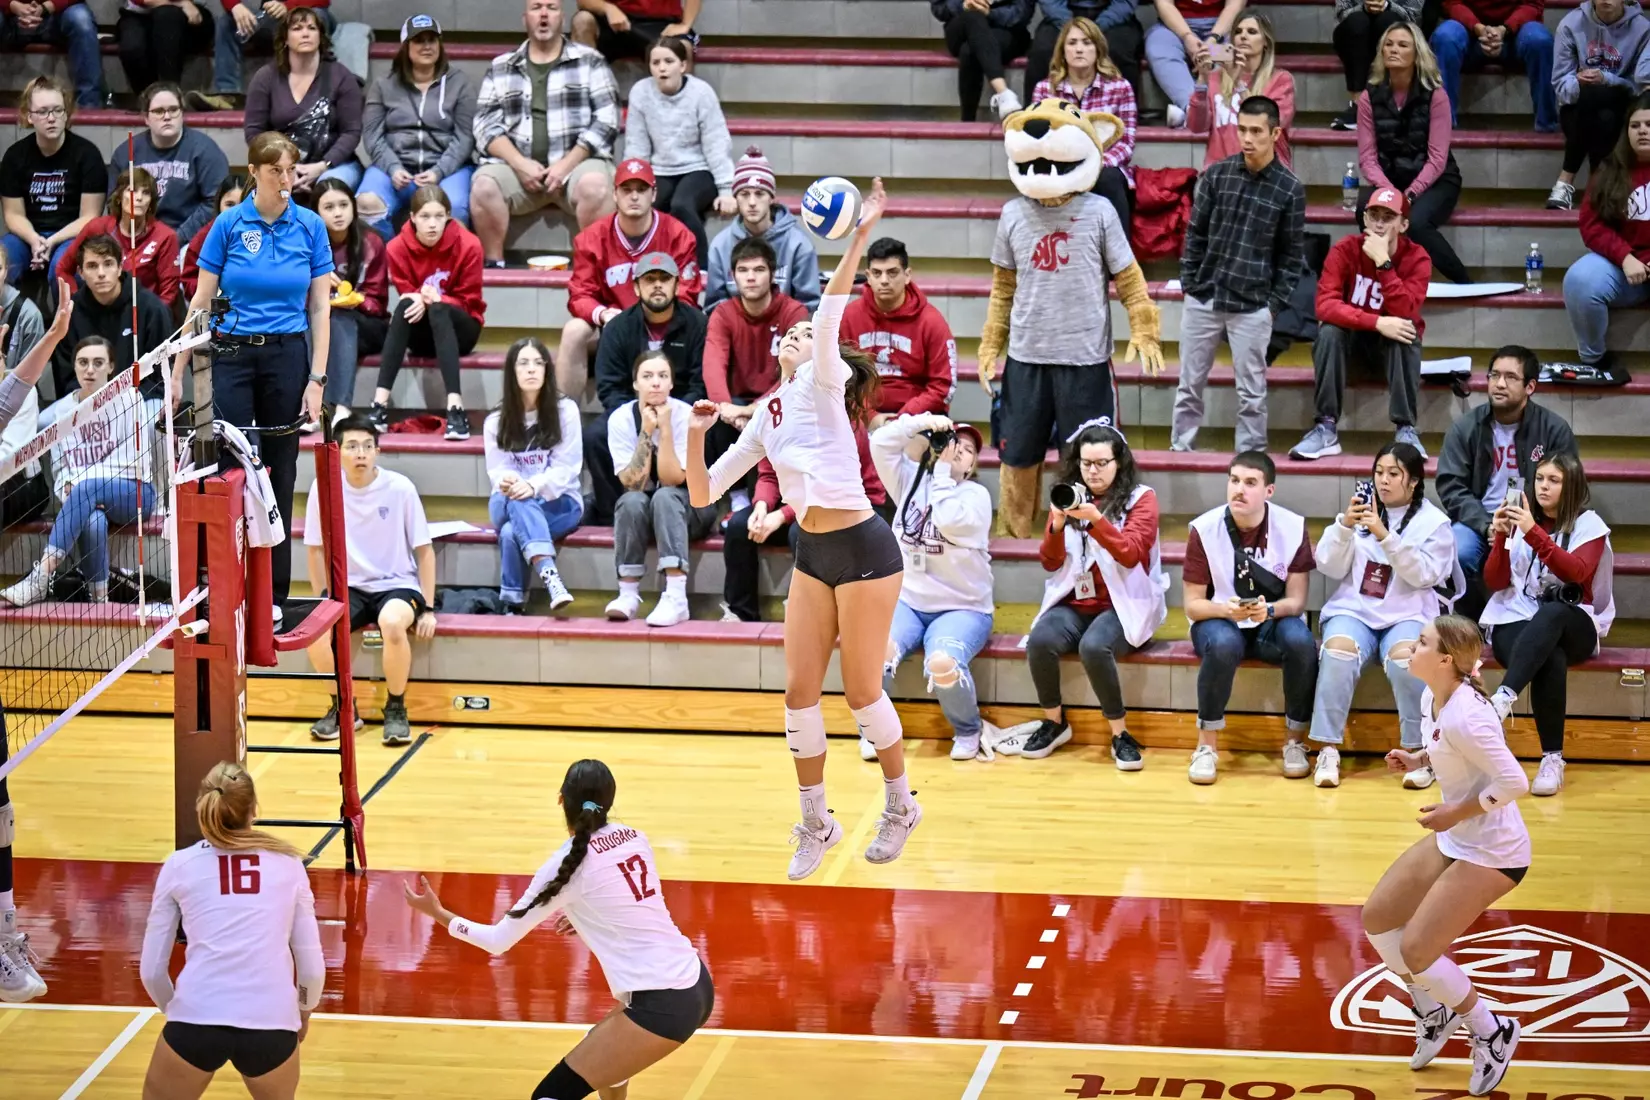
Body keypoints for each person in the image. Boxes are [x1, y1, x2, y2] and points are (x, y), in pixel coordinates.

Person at [687, 179, 925, 880]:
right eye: (787, 336)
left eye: (801, 333)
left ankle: (901, 804)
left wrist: (860, 235)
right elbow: (703, 490)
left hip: (865, 548)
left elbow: (827, 312)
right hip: (815, 552)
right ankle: (817, 821)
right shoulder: (766, 415)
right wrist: (697, 433)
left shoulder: (824, 381)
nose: (794, 335)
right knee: (797, 695)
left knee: (861, 692)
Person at [403, 759, 715, 1100]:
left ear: (561, 800)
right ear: (609, 800)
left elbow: (497, 941)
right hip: (696, 981)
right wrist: (589, 916)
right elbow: (633, 904)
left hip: (664, 1003)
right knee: (608, 1069)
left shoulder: (564, 867)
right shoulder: (635, 837)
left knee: (549, 1096)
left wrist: (438, 914)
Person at [979, 101, 1162, 539]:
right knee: (1018, 455)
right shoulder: (1012, 213)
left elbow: (1129, 279)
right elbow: (1002, 288)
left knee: (1090, 458)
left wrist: (1145, 328)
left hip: (1085, 359)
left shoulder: (1100, 211)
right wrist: (990, 344)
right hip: (1026, 357)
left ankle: (1089, 543)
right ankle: (1018, 539)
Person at [1364, 615, 1528, 1098]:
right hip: (1457, 837)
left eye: (1421, 642)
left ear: (1444, 660)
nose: (1411, 647)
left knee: (1417, 950)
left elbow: (1515, 782)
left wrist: (1455, 812)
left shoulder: (1468, 716)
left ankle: (1492, 1032)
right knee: (1378, 919)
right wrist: (1419, 759)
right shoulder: (1432, 698)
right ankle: (1433, 1010)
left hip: (1495, 851)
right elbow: (1448, 750)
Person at [186, 130, 333, 613]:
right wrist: (177, 368)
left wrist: (316, 380)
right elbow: (201, 300)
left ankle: (273, 596)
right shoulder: (228, 224)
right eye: (276, 171)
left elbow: (320, 309)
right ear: (253, 172)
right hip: (231, 355)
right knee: (229, 471)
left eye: (291, 170)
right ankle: (225, 590)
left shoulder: (310, 226)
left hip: (287, 358)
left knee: (281, 472)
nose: (286, 180)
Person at [138, 762, 324, 1100]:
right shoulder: (290, 864)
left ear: (202, 806)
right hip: (272, 1022)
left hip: (197, 1017)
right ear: (254, 810)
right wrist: (302, 1012)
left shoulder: (178, 865)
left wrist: (180, 1013)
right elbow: (312, 970)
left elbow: (151, 972)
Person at [1308, 443, 1459, 789]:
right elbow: (1328, 565)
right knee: (1338, 652)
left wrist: (1385, 535)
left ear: (1414, 481)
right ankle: (1327, 750)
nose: (1383, 480)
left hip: (1408, 612)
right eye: (1378, 472)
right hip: (1354, 610)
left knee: (1410, 660)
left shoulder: (1434, 523)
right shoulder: (1361, 511)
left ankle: (1420, 752)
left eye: (1393, 473)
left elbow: (1425, 575)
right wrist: (1345, 527)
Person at [1021, 419, 1166, 767]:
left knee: (1094, 646)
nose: (1093, 471)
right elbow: (1050, 562)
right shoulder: (1069, 495)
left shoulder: (1141, 499)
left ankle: (1120, 734)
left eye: (1102, 463)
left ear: (1119, 462)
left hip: (1124, 603)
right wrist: (1057, 525)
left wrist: (1096, 520)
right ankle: (1055, 722)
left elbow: (1131, 553)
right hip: (1076, 602)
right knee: (1039, 640)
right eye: (1086, 463)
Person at [1172, 95, 1305, 454]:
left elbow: (1291, 257)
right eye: (1242, 129)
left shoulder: (1290, 189)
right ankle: (1180, 449)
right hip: (1205, 295)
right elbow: (1195, 234)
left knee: (1251, 393)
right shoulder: (1216, 175)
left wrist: (1272, 306)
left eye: (1256, 131)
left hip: (1253, 305)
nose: (1247, 138)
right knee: (1189, 384)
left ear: (1275, 133)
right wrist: (1189, 284)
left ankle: (1251, 459)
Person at [1481, 452, 1614, 797]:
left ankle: (1501, 700)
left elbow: (1576, 572)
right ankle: (1552, 759)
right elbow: (1495, 581)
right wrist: (1501, 537)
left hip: (1574, 620)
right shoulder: (1520, 520)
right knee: (1548, 656)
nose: (1543, 486)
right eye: (1539, 478)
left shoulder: (1589, 525)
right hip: (1516, 615)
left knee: (1553, 614)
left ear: (1572, 486)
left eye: (1554, 480)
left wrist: (1532, 531)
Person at [1182, 451, 1318, 785]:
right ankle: (1206, 746)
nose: (1239, 489)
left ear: (1269, 491)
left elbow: (1296, 602)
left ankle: (1295, 742)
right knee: (1224, 643)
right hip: (1219, 619)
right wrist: (1225, 610)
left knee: (1301, 642)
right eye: (1234, 480)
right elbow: (1193, 605)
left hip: (1269, 621)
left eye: (1250, 482)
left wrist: (1269, 610)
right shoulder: (1204, 528)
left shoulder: (1292, 526)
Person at [869, 414, 998, 762]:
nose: (958, 450)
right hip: (908, 602)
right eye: (952, 442)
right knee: (875, 651)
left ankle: (968, 731)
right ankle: (875, 731)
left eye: (967, 449)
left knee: (942, 663)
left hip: (963, 608)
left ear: (972, 466)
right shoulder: (911, 480)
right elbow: (880, 443)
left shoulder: (976, 497)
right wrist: (921, 423)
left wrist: (941, 473)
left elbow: (948, 519)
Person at [304, 415, 436, 746]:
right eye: (351, 446)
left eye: (367, 446)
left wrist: (429, 608)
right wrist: (322, 599)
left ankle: (396, 708)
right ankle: (343, 708)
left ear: (377, 451)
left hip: (397, 584)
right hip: (348, 587)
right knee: (316, 635)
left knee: (392, 623)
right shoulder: (324, 487)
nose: (360, 453)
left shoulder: (400, 488)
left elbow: (425, 551)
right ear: (337, 452)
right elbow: (314, 550)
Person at [0, 335, 155, 609]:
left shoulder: (129, 399)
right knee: (93, 521)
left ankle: (41, 576)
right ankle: (99, 601)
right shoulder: (60, 413)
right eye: (83, 362)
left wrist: (83, 484)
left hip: (135, 494)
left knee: (84, 489)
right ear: (74, 367)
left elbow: (133, 463)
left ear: (111, 367)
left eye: (98, 363)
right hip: (84, 499)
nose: (90, 370)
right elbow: (61, 471)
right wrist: (71, 489)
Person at [471, 0, 621, 264]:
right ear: (524, 19)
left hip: (576, 167)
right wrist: (519, 164)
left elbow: (607, 121)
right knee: (483, 186)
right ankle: (494, 266)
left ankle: (594, 269)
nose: (543, 15)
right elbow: (484, 125)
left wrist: (565, 165)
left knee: (596, 187)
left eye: (551, 8)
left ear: (562, 18)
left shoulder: (591, 61)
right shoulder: (501, 66)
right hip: (518, 170)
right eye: (536, 7)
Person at [1290, 187, 1432, 462]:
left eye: (1388, 218)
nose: (1379, 224)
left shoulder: (1417, 258)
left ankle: (1405, 429)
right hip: (1348, 357)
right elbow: (1325, 305)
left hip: (1391, 361)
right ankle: (1326, 428)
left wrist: (1384, 263)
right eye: (1374, 216)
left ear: (1403, 225)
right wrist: (1377, 322)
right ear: (1364, 219)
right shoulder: (1345, 250)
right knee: (1329, 331)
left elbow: (1406, 310)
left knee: (1406, 330)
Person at [1435, 345, 1577, 611]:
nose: (1499, 384)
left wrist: (1529, 525)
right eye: (1494, 375)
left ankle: (1537, 621)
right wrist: (1487, 525)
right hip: (1479, 520)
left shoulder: (1553, 429)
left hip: (1536, 520)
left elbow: (1569, 484)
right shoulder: (1466, 428)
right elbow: (1451, 486)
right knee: (1457, 553)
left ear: (1530, 386)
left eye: (1510, 377)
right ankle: (1473, 623)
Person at [561, 157, 702, 402]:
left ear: (654, 194)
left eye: (641, 189)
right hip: (613, 329)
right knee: (574, 330)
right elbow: (580, 294)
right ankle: (564, 418)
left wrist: (645, 317)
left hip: (664, 324)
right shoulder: (591, 238)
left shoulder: (679, 235)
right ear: (614, 194)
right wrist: (603, 314)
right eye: (626, 190)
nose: (634, 196)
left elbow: (686, 294)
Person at [587, 251, 707, 527]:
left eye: (664, 279)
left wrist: (673, 412)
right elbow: (609, 386)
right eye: (649, 279)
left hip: (681, 410)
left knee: (708, 429)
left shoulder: (698, 324)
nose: (657, 285)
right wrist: (640, 415)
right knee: (595, 435)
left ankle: (689, 502)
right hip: (633, 408)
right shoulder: (617, 328)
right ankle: (611, 512)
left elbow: (701, 382)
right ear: (636, 287)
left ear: (677, 285)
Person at [606, 349, 716, 628]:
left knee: (666, 496)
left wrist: (665, 429)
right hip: (650, 510)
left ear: (671, 383)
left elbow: (672, 479)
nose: (655, 382)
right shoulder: (620, 418)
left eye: (662, 376)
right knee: (630, 501)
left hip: (693, 507)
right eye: (647, 376)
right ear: (635, 383)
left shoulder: (686, 415)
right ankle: (628, 594)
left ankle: (676, 596)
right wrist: (646, 430)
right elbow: (633, 483)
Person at [1355, 22, 1471, 286]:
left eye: (1402, 45)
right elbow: (1367, 158)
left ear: (1417, 54)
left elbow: (1437, 159)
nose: (1393, 50)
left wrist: (1408, 196)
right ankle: (1383, 278)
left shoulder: (1436, 96)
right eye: (1389, 44)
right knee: (1365, 209)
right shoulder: (1368, 97)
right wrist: (1389, 192)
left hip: (1436, 180)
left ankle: (1464, 282)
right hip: (1390, 179)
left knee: (1416, 223)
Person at [370, 186, 485, 441]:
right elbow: (407, 296)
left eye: (438, 216)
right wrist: (424, 298)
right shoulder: (396, 248)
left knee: (439, 309)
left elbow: (471, 302)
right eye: (424, 216)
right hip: (422, 332)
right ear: (412, 217)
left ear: (448, 216)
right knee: (403, 307)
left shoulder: (469, 245)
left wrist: (438, 300)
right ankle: (379, 405)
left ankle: (455, 408)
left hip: (463, 329)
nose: (432, 224)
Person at [703, 236, 808, 510]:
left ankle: (773, 500)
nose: (750, 277)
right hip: (736, 405)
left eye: (759, 270)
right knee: (712, 414)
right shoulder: (723, 313)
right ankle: (737, 497)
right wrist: (725, 407)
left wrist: (753, 410)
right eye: (743, 270)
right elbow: (713, 363)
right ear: (733, 276)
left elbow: (798, 372)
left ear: (773, 275)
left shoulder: (793, 312)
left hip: (782, 399)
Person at [485, 336, 583, 613]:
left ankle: (512, 603)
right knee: (516, 500)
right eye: (523, 363)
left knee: (509, 531)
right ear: (512, 371)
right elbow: (498, 471)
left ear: (547, 370)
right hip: (507, 500)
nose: (531, 369)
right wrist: (510, 481)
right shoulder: (495, 420)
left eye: (538, 363)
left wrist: (532, 485)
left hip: (561, 502)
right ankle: (550, 576)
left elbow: (567, 469)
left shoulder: (566, 411)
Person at [358, 15, 478, 236]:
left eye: (432, 40)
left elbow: (465, 137)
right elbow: (372, 135)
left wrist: (439, 171)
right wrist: (393, 167)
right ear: (406, 46)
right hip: (396, 169)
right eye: (419, 40)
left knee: (454, 210)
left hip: (447, 170)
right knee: (367, 203)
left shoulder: (459, 83)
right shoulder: (383, 85)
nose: (426, 46)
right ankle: (391, 255)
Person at [624, 36, 736, 270]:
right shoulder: (640, 92)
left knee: (682, 205)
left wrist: (726, 189)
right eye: (656, 63)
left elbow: (716, 142)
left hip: (699, 169)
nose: (662, 68)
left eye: (669, 61)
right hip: (660, 170)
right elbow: (636, 144)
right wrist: (632, 184)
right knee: (650, 207)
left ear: (683, 65)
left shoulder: (701, 92)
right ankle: (650, 268)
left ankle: (701, 268)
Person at [1563, 93, 1650, 374]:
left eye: (1649, 125)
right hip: (1626, 271)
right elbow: (1592, 225)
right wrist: (1625, 257)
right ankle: (1594, 361)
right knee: (1580, 279)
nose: (1642, 131)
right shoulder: (1609, 170)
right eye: (1635, 125)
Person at [1030, 16, 1139, 236]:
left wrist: (1095, 165)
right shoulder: (1045, 90)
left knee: (1108, 179)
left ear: (1098, 49)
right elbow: (1037, 140)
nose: (1079, 49)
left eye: (1087, 43)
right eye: (1072, 43)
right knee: (1040, 180)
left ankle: (1119, 255)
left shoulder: (1120, 87)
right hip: (1059, 165)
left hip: (1104, 166)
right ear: (1063, 51)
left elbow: (1126, 142)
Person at [243, 8, 365, 196]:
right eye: (297, 28)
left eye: (312, 28)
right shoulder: (265, 78)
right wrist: (284, 168)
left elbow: (351, 132)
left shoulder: (342, 76)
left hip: (335, 165)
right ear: (285, 38)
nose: (305, 33)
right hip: (278, 165)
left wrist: (323, 166)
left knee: (328, 190)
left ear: (321, 37)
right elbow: (254, 132)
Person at [840, 238, 958, 428]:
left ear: (907, 275)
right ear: (868, 276)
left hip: (917, 419)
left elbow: (943, 385)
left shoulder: (931, 321)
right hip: (861, 417)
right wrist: (870, 416)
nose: (884, 280)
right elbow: (838, 378)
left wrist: (900, 421)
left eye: (892, 272)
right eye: (877, 273)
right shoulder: (848, 317)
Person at [0, 77, 105, 290]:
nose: (51, 118)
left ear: (66, 114)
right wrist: (34, 239)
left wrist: (52, 241)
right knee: (3, 261)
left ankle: (67, 314)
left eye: (58, 110)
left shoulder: (87, 155)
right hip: (26, 235)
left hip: (71, 235)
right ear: (29, 116)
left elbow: (90, 217)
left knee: (61, 268)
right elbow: (13, 215)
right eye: (43, 112)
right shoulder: (15, 156)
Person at [1546, 0, 1648, 210]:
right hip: (1578, 107)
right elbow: (1560, 86)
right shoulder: (1571, 24)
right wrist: (1579, 83)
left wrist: (1607, 79)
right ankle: (1599, 186)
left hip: (1621, 105)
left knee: (1603, 104)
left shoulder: (1643, 29)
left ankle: (1565, 180)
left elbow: (1640, 87)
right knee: (1599, 109)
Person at [109, 83, 231, 247]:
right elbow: (114, 203)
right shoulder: (126, 152)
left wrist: (175, 239)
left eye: (173, 110)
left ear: (182, 113)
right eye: (159, 111)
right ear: (146, 118)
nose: (167, 116)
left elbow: (214, 203)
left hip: (190, 240)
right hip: (137, 237)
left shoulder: (206, 150)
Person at [54, 236, 171, 404]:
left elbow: (160, 376)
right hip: (86, 403)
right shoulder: (70, 313)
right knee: (45, 418)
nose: (101, 273)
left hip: (141, 401)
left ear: (120, 268)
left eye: (108, 264)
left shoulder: (151, 308)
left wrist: (124, 402)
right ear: (80, 273)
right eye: (92, 266)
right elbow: (66, 378)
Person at [310, 178, 388, 429]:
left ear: (353, 207)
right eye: (329, 207)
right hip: (323, 321)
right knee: (313, 322)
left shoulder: (371, 242)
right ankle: (312, 408)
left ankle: (341, 409)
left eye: (343, 205)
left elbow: (378, 302)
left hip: (368, 325)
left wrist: (354, 299)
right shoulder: (308, 245)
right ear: (316, 213)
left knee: (337, 317)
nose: (338, 213)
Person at [705, 146, 821, 312]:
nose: (752, 202)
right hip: (736, 327)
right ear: (735, 198)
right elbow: (715, 307)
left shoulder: (799, 245)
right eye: (744, 194)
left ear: (771, 198)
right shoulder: (720, 245)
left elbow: (808, 307)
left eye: (759, 194)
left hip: (787, 326)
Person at [56, 168, 181, 308]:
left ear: (151, 202)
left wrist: (152, 316)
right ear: (119, 197)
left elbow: (169, 294)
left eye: (146, 193)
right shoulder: (97, 227)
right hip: (100, 312)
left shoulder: (166, 236)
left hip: (143, 312)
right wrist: (77, 304)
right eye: (132, 190)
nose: (139, 197)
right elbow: (63, 268)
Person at [1188, 13, 1296, 170]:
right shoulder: (1215, 78)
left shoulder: (1281, 80)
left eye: (1252, 32)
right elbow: (1196, 127)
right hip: (1221, 173)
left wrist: (1238, 82)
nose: (1243, 36)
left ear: (1265, 42)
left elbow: (1266, 123)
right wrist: (1202, 80)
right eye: (1238, 32)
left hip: (1265, 172)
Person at [188, 0, 338, 112]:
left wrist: (288, 6)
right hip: (271, 18)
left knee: (314, 17)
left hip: (306, 10)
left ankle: (310, 93)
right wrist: (235, 6)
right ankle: (228, 95)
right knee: (227, 23)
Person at [1430, 0, 1556, 132]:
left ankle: (1546, 126)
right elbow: (1452, 3)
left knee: (1541, 41)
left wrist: (1504, 29)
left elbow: (1533, 4)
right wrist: (1478, 28)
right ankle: (1442, 128)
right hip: (1469, 32)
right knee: (1445, 38)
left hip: (1516, 33)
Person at [1144, 0, 1247, 128]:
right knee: (1159, 46)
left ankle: (1216, 109)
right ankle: (1192, 109)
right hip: (1175, 24)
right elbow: (1164, 4)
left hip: (1225, 26)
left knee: (1238, 47)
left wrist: (1213, 39)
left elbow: (1235, 4)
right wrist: (1187, 36)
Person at [931, 0, 1034, 121]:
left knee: (969, 50)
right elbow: (940, 8)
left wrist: (989, 13)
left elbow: (1021, 13)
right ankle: (1003, 91)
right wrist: (964, 4)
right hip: (962, 26)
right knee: (973, 16)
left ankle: (967, 121)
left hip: (1006, 30)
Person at [1025, 0, 1145, 98]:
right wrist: (1072, 26)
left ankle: (1125, 111)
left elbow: (1124, 3)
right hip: (1063, 13)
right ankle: (1032, 112)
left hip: (1114, 14)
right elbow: (1051, 4)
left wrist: (1095, 29)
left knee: (1118, 50)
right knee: (1042, 50)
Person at [1332, 0, 1422, 131]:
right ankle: (1358, 104)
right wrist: (1364, 7)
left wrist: (1387, 6)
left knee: (1388, 20)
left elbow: (1414, 16)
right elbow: (1341, 14)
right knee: (1357, 21)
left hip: (1396, 27)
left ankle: (1389, 104)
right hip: (1353, 31)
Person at [0, 0, 101, 108]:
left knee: (81, 20)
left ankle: (88, 107)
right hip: (9, 15)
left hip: (58, 12)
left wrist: (46, 7)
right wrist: (13, 5)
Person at [116, 0, 215, 95]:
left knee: (167, 17)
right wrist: (182, 3)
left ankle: (170, 93)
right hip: (138, 14)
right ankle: (148, 96)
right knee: (132, 47)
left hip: (185, 14)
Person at [180, 174, 248, 303]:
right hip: (214, 307)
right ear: (218, 204)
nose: (235, 211)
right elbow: (189, 282)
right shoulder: (204, 237)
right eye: (230, 204)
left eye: (243, 205)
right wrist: (213, 293)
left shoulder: (265, 233)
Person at [572, 0, 702, 61]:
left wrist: (686, 24)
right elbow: (583, 1)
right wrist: (607, 8)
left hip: (659, 21)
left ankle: (679, 106)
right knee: (582, 21)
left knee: (682, 47)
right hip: (614, 21)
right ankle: (582, 95)